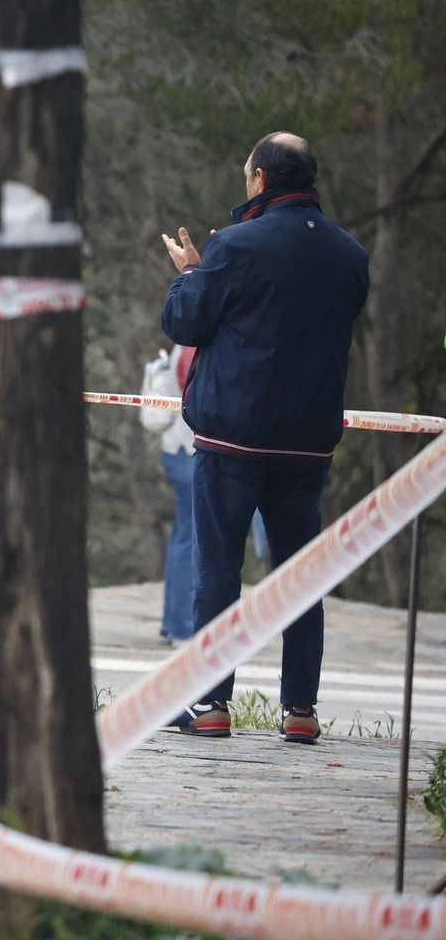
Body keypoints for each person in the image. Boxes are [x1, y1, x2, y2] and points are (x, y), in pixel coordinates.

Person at [160, 132, 368, 745]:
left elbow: (184, 322)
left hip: (234, 439)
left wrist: (192, 273)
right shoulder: (350, 255)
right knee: (300, 576)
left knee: (218, 573)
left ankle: (211, 704)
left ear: (260, 179)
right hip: (308, 443)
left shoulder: (235, 244)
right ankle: (300, 709)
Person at [140, 345, 197, 645]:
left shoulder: (186, 341)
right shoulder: (198, 343)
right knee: (193, 539)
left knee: (183, 536)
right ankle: (183, 628)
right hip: (192, 451)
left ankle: (173, 623)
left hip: (179, 449)